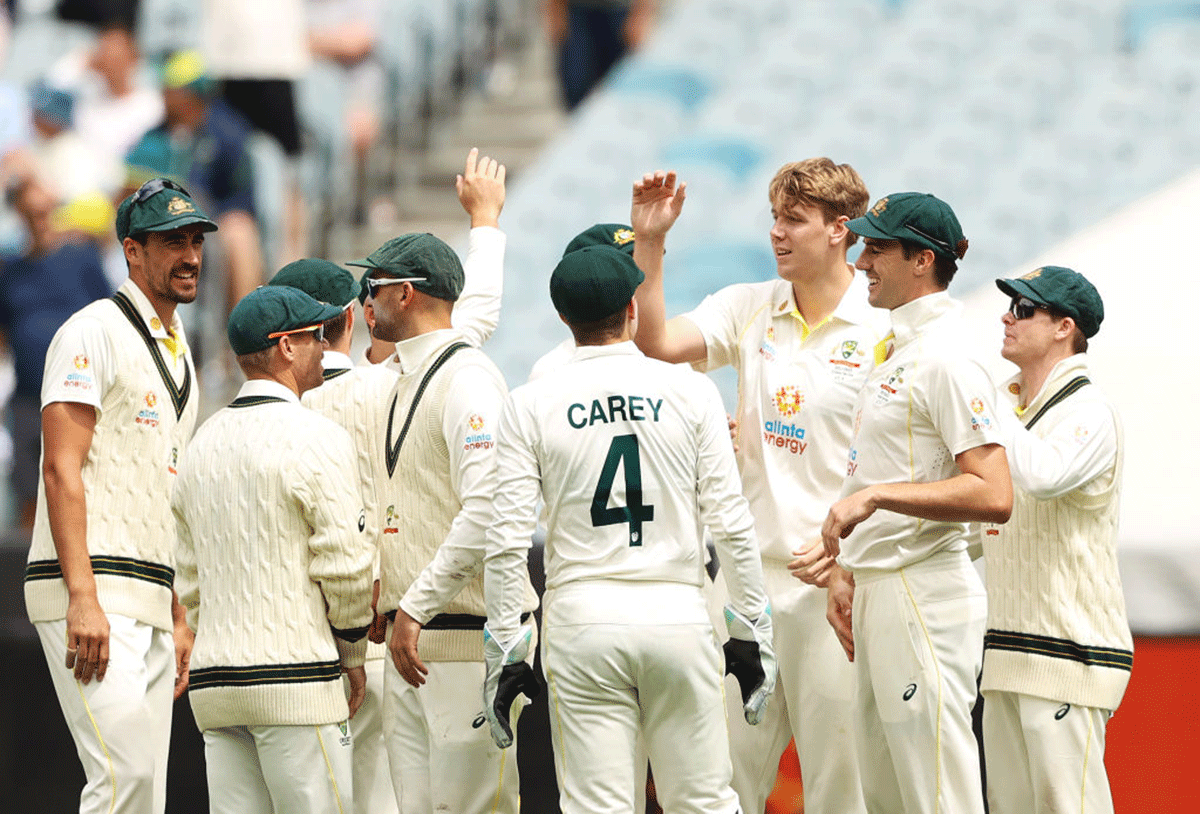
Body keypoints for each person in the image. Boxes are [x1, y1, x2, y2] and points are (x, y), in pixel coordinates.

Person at [482, 244, 776, 814]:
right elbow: (732, 521)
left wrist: (507, 647)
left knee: (597, 806)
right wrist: (751, 627)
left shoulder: (530, 402)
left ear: (563, 319)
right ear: (634, 310)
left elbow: (507, 540)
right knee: (705, 801)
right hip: (677, 611)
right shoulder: (691, 391)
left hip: (582, 616)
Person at [631, 161, 882, 814]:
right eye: (775, 217)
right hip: (744, 585)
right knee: (718, 782)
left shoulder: (883, 328)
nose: (777, 232)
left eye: (794, 220)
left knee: (840, 790)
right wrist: (651, 242)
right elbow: (655, 342)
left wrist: (853, 557)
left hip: (836, 585)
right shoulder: (749, 306)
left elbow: (902, 466)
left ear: (839, 230)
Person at [24, 177, 217, 814]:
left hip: (150, 596)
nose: (190, 255)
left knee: (145, 791)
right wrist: (82, 596)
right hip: (93, 589)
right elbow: (60, 470)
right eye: (172, 242)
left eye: (195, 240)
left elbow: (170, 486)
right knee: (124, 779)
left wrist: (180, 609)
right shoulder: (91, 331)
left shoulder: (181, 350)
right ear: (132, 251)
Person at [820, 192, 1013, 814]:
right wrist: (850, 568)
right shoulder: (900, 350)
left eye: (878, 247)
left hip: (924, 593)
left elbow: (993, 491)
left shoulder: (946, 358)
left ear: (922, 260)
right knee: (886, 796)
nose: (861, 260)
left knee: (936, 795)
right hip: (885, 587)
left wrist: (876, 499)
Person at [351, 227, 538, 814]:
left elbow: (486, 511)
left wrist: (414, 604)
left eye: (374, 288)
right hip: (417, 639)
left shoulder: (469, 378)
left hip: (464, 636)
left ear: (405, 294)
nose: (367, 304)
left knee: (473, 807)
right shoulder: (407, 377)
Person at [172, 284, 374, 814]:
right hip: (297, 682)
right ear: (286, 347)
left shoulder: (201, 444)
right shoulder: (317, 436)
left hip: (217, 690)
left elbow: (189, 579)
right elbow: (348, 568)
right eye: (313, 337)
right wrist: (352, 656)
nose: (324, 349)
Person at [980, 266, 1131, 814]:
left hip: (1069, 653)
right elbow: (984, 524)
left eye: (1023, 309)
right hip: (1005, 653)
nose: (1006, 316)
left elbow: (1043, 476)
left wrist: (988, 404)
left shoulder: (1090, 412)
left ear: (1065, 327)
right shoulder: (1014, 411)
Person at [1, 174, 112, 527]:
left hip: (79, 394)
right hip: (29, 397)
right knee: (28, 496)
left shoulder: (82, 259)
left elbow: (110, 318)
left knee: (80, 493)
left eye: (44, 210)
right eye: (30, 212)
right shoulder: (10, 271)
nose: (39, 219)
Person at [125, 49, 263, 314]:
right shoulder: (153, 137)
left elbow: (242, 198)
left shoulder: (228, 134)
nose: (164, 95)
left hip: (213, 225)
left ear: (192, 94)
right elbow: (127, 187)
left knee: (240, 233)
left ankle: (245, 333)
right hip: (158, 226)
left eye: (171, 89)